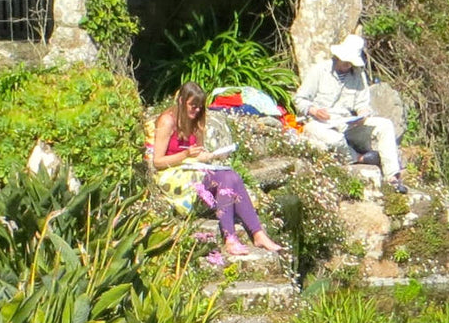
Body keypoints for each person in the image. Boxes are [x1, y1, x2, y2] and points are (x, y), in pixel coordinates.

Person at [151, 81, 285, 256]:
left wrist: (206, 156)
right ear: (182, 101)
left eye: (199, 107)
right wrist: (185, 155)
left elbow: (197, 153)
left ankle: (256, 233)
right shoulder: (167, 121)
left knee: (232, 176)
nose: (196, 111)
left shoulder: (197, 121)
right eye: (193, 106)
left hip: (192, 168)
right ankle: (233, 237)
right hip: (172, 173)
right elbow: (158, 161)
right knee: (227, 179)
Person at [293, 34, 407, 194]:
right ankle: (359, 158)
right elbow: (300, 99)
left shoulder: (358, 75)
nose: (347, 64)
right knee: (335, 139)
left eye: (350, 62)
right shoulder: (320, 70)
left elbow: (362, 104)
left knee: (385, 125)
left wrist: (362, 114)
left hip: (347, 123)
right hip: (319, 123)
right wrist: (315, 111)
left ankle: (392, 177)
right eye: (345, 60)